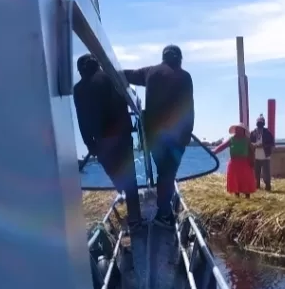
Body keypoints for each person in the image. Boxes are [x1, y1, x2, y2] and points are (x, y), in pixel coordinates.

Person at [123, 45, 194, 227]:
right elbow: (188, 109)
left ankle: (163, 210)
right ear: (179, 58)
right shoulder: (184, 76)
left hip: (153, 133)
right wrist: (187, 135)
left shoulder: (151, 72)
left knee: (163, 171)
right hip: (176, 135)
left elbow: (128, 75)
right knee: (168, 173)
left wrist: (105, 71)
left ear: (164, 57)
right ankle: (164, 213)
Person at [73, 54, 141, 226]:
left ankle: (121, 188)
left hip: (102, 140)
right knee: (129, 176)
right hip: (122, 135)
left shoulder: (80, 88)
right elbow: (129, 97)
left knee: (115, 172)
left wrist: (89, 143)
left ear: (81, 70)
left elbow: (82, 119)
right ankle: (135, 217)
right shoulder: (113, 78)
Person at [213, 123, 257, 199]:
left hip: (245, 163)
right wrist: (214, 152)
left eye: (239, 129)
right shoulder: (231, 139)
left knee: (246, 179)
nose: (237, 131)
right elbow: (222, 146)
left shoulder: (247, 140)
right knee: (235, 179)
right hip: (234, 163)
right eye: (236, 129)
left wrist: (252, 161)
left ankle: (247, 197)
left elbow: (252, 151)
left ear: (243, 131)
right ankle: (237, 196)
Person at [250, 114, 275, 191]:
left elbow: (272, 144)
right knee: (256, 173)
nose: (259, 124)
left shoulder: (267, 133)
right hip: (256, 156)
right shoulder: (253, 132)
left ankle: (267, 186)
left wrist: (263, 145)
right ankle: (256, 186)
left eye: (261, 122)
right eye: (258, 122)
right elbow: (250, 142)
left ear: (263, 123)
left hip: (265, 156)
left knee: (266, 173)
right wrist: (254, 145)